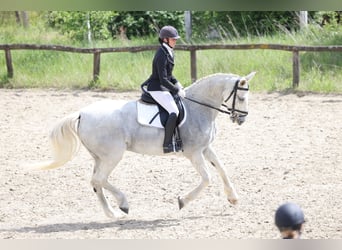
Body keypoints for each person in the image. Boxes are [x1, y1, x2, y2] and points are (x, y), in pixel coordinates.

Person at [143, 25, 186, 153]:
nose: (175, 41)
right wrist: (176, 90)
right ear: (165, 40)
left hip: (163, 87)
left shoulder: (168, 51)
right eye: (173, 39)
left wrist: (178, 84)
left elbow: (169, 74)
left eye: (175, 39)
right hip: (156, 88)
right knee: (174, 111)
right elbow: (162, 79)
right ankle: (167, 144)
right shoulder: (161, 54)